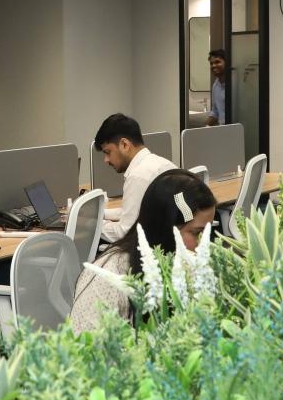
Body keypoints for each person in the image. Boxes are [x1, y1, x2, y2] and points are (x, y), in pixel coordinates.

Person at [70, 170, 218, 333]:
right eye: (197, 233)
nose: (205, 244)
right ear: (168, 229)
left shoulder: (183, 264)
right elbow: (87, 343)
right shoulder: (108, 278)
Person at [95, 113, 178, 243]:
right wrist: (99, 215)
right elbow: (133, 213)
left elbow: (124, 232)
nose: (106, 160)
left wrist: (91, 225)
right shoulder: (161, 163)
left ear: (124, 145)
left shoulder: (138, 176)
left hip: (155, 247)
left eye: (107, 152)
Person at [207, 48, 228, 126]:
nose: (213, 66)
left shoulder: (236, 84)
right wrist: (205, 128)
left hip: (237, 128)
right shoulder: (215, 86)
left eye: (217, 62)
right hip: (222, 129)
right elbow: (215, 112)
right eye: (211, 63)